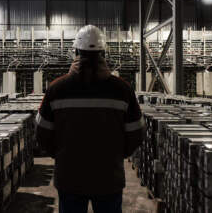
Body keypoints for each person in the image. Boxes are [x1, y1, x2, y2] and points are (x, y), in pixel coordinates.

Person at [36, 25, 144, 213]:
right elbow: (137, 132)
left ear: (76, 51)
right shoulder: (122, 89)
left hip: (69, 177)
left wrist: (61, 155)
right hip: (109, 177)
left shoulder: (57, 88)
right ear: (103, 53)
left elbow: (42, 132)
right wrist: (117, 155)